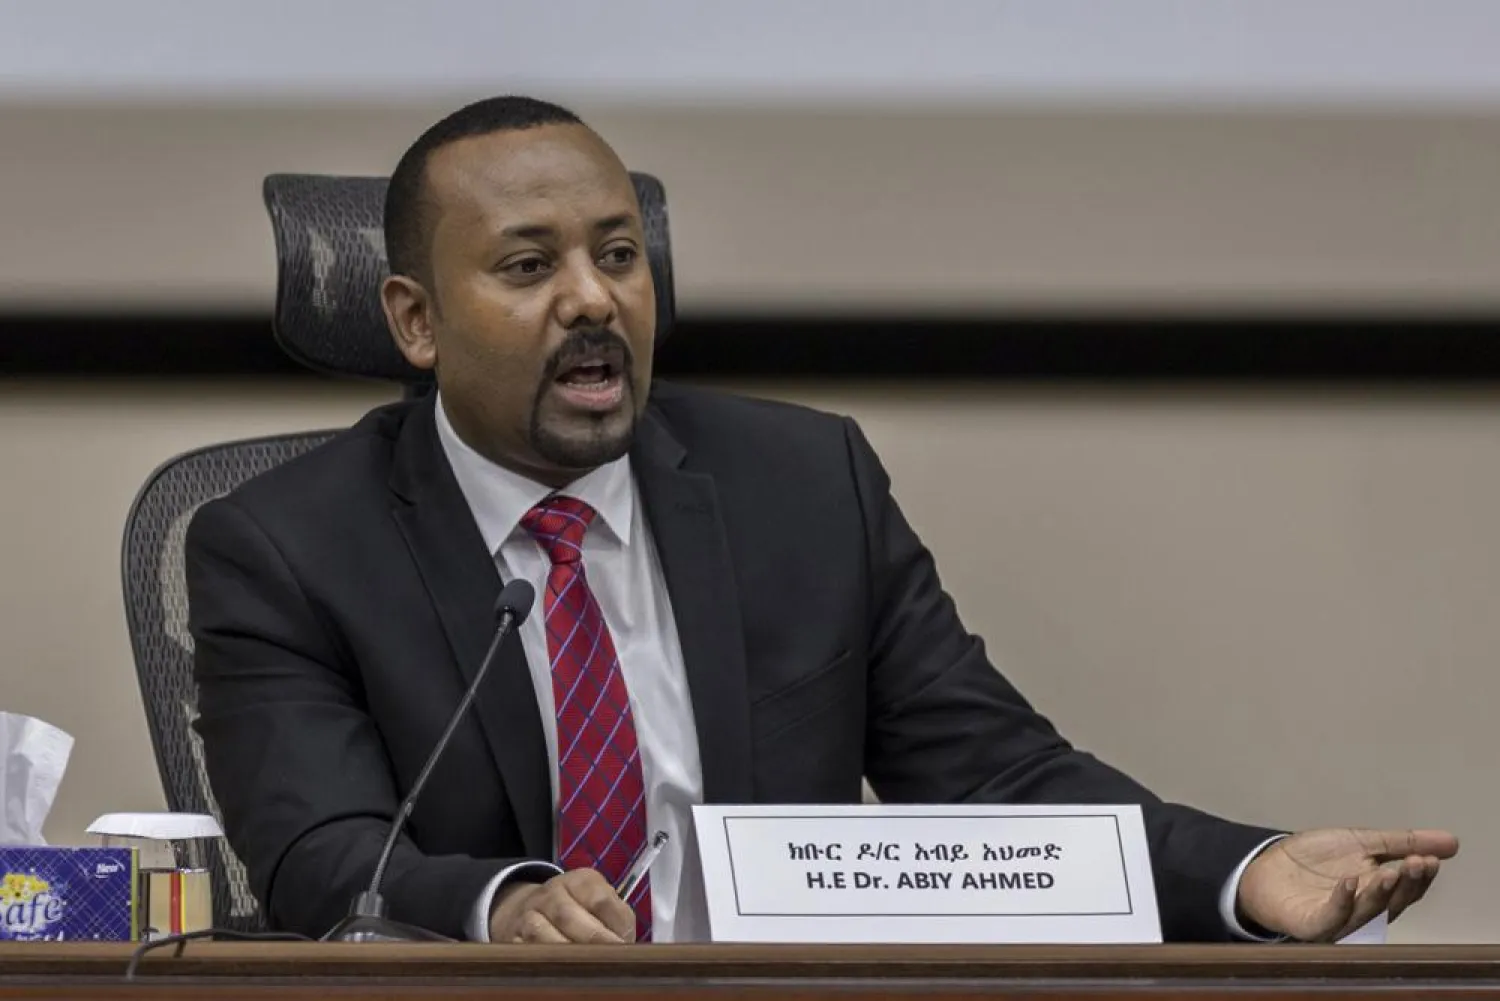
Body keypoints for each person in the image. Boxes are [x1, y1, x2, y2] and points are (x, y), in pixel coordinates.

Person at [184, 96, 1457, 947]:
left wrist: (1244, 873)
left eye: (620, 255)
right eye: (529, 267)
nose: (594, 300)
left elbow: (994, 777)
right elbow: (321, 852)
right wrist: (503, 901)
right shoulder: (287, 545)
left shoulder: (802, 482)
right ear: (414, 319)